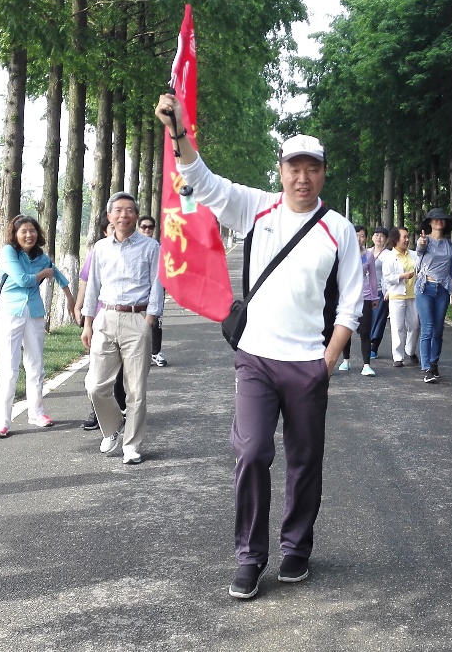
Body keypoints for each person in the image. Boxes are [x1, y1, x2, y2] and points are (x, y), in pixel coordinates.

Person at [155, 94, 363, 600]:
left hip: (308, 363)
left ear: (323, 174)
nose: (302, 178)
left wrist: (327, 361)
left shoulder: (339, 229)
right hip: (256, 359)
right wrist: (179, 131)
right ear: (281, 170)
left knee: (304, 460)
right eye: (294, 168)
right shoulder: (256, 206)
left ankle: (296, 548)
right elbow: (201, 180)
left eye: (312, 169)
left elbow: (351, 304)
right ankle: (249, 556)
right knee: (251, 453)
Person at [80, 192, 164, 466]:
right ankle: (113, 425)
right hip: (105, 318)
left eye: (129, 210)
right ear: (109, 216)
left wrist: (149, 320)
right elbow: (92, 286)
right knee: (95, 385)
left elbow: (157, 286)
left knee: (135, 389)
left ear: (136, 215)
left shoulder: (151, 247)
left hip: (137, 319)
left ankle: (132, 445)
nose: (123, 215)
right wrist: (88, 323)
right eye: (118, 210)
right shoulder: (100, 248)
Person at [0, 215, 75, 438]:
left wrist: (70, 298)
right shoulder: (9, 252)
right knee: (8, 370)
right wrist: (42, 274)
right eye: (24, 231)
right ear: (15, 234)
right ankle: (2, 421)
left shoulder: (41, 256)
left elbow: (58, 275)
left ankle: (36, 413)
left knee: (36, 366)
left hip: (35, 313)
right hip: (11, 313)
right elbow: (22, 280)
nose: (29, 235)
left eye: (32, 231)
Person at [75, 217, 127, 432]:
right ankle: (96, 412)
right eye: (111, 227)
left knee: (121, 371)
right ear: (105, 232)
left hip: (126, 320)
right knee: (97, 371)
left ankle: (121, 409)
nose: (116, 230)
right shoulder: (98, 252)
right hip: (100, 319)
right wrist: (79, 307)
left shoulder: (133, 252)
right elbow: (86, 282)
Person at [414, 208, 452, 383]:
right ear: (430, 223)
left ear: (445, 223)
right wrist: (422, 243)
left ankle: (434, 363)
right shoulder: (424, 241)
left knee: (438, 330)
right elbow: (420, 250)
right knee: (428, 328)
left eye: (442, 219)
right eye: (435, 219)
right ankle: (426, 368)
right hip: (425, 288)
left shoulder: (450, 246)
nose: (439, 221)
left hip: (443, 289)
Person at [337, 225, 379, 376]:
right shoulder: (343, 253)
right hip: (347, 296)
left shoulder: (369, 255)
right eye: (356, 235)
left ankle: (366, 365)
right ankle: (346, 360)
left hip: (365, 295)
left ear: (366, 238)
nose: (359, 239)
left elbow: (372, 276)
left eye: (362, 236)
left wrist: (374, 296)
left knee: (365, 331)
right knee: (346, 328)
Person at [381, 226, 419, 367]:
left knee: (415, 325)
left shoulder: (414, 255)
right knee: (398, 327)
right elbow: (387, 277)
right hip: (397, 295)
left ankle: (410, 351)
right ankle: (398, 356)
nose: (407, 239)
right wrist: (402, 276)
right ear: (396, 239)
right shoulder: (389, 256)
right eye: (404, 237)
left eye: (408, 237)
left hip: (413, 295)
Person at [138, 214, 169, 367]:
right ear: (138, 228)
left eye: (150, 227)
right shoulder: (135, 248)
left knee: (156, 322)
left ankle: (155, 352)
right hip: (139, 293)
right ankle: (140, 353)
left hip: (156, 289)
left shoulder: (159, 248)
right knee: (137, 323)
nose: (147, 230)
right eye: (144, 227)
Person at [368, 226, 390, 359]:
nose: (379, 238)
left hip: (381, 291)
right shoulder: (366, 252)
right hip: (366, 292)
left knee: (379, 319)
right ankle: (367, 343)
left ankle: (374, 346)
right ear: (372, 237)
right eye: (376, 235)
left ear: (386, 239)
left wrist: (389, 290)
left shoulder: (388, 255)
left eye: (382, 236)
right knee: (367, 319)